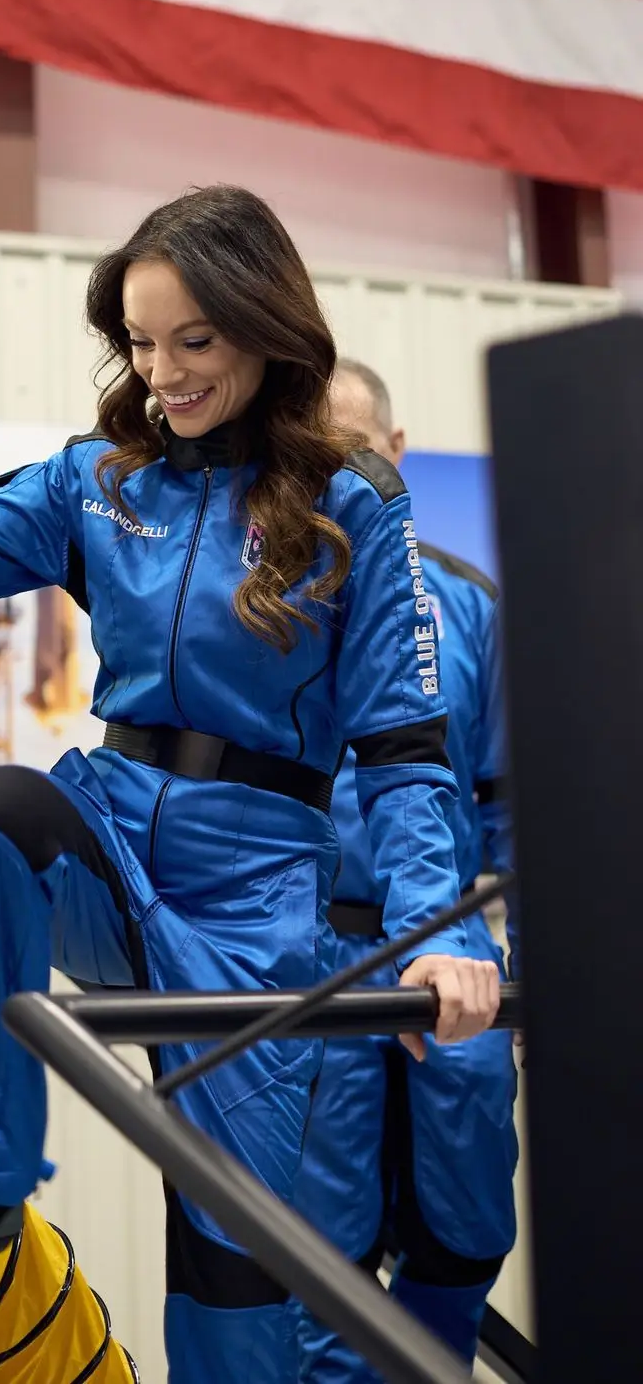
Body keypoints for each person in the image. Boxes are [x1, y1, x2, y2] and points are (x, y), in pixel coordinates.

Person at [0, 186, 501, 1384]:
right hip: (111, 838)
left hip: (255, 910)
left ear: (262, 326)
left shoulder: (353, 503)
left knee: (233, 1290)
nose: (162, 373)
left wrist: (440, 933)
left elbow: (402, 746)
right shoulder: (93, 482)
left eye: (194, 341)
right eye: (138, 341)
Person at [294, 360, 518, 1382]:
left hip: (446, 937)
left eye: (355, 448)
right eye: (316, 451)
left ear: (395, 450)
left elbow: (511, 797)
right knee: (318, 1231)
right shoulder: (260, 600)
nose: (337, 470)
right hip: (304, 942)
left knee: (466, 1195)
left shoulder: (468, 607)